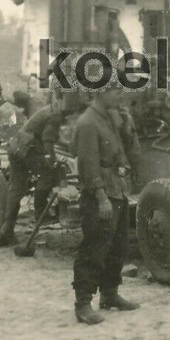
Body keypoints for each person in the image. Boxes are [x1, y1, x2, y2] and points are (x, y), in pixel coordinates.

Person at [71, 84, 141, 324]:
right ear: (101, 93)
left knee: (117, 247)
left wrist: (128, 126)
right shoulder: (88, 123)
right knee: (94, 248)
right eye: (116, 92)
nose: (122, 96)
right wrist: (101, 198)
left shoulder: (113, 118)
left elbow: (129, 153)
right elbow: (88, 166)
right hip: (100, 194)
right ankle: (83, 304)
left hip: (118, 190)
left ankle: (110, 295)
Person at [6, 102, 64, 241]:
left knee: (16, 189)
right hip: (28, 147)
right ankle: (41, 214)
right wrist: (53, 160)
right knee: (49, 174)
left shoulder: (50, 109)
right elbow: (48, 141)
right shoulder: (56, 114)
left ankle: (6, 229)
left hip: (16, 146)